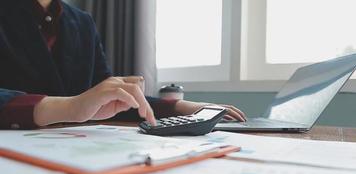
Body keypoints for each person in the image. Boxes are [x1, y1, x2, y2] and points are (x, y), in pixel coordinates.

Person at [0, 0, 246, 129]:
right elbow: (81, 105)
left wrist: (182, 107)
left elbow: (109, 97)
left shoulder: (82, 22)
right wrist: (68, 107)